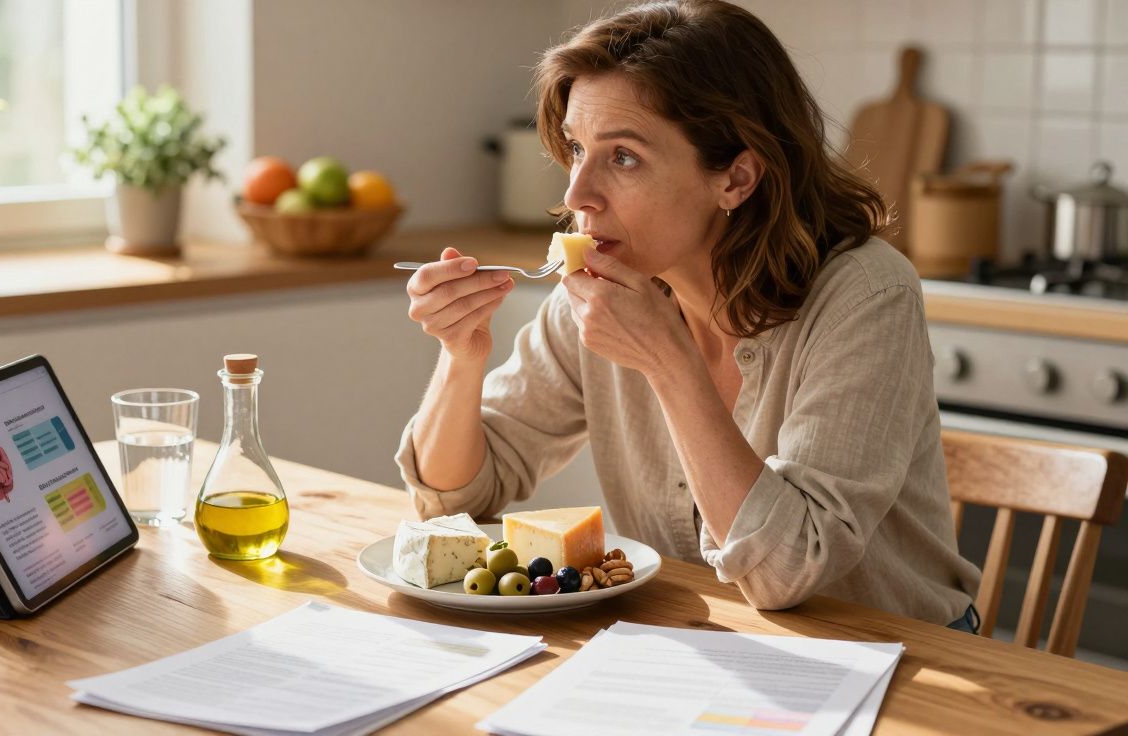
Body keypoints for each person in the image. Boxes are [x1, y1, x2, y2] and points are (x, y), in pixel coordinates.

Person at [395, 0, 981, 629]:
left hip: (902, 663)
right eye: (574, 148)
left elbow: (791, 570)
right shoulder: (602, 288)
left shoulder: (865, 296)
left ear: (736, 178)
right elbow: (456, 500)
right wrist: (463, 357)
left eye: (623, 157)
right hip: (711, 647)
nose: (575, 195)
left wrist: (668, 361)